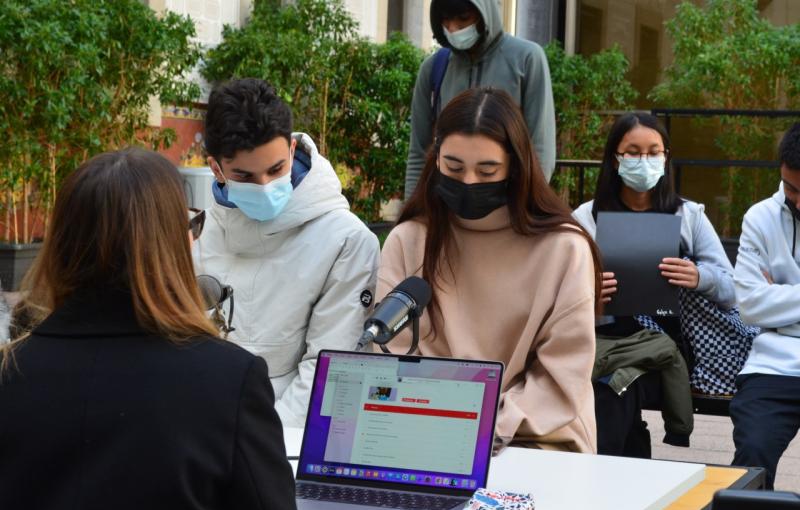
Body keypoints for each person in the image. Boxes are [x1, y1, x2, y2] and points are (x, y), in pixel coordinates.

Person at [0, 148, 300, 510]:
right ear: (172, 243)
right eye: (190, 226)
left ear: (61, 244)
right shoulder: (230, 381)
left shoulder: (10, 372)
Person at [380, 87, 601, 453]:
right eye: (454, 168)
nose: (468, 182)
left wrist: (484, 427)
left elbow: (562, 372)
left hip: (536, 436)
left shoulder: (563, 248)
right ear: (435, 159)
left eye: (487, 171)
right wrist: (442, 423)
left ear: (515, 166)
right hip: (426, 430)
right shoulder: (409, 239)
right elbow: (391, 354)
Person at [194, 78, 380, 427]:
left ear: (292, 150)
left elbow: (328, 370)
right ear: (216, 168)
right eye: (244, 176)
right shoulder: (198, 233)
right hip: (197, 429)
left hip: (283, 437)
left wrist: (256, 445)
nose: (264, 186)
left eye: (276, 169)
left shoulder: (346, 240)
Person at [573, 112, 736, 457]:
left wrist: (699, 277)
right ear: (614, 158)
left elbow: (732, 289)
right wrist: (587, 292)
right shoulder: (586, 219)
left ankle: (608, 473)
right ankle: (627, 470)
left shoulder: (688, 215)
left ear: (666, 157)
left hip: (669, 349)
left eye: (653, 152)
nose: (644, 160)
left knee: (615, 388)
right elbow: (559, 293)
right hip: (603, 342)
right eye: (633, 152)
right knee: (615, 389)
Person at [404, 0, 556, 200]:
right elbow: (419, 151)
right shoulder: (433, 68)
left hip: (508, 200)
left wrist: (526, 205)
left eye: (463, 18)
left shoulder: (527, 58)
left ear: (486, 11)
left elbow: (540, 147)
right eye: (446, 19)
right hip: (447, 201)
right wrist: (413, 209)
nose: (453, 28)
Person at [730, 122, 800, 489]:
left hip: (778, 341)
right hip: (773, 365)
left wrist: (781, 299)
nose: (799, 202)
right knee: (752, 455)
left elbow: (765, 303)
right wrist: (764, 302)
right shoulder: (759, 218)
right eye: (792, 188)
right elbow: (751, 306)